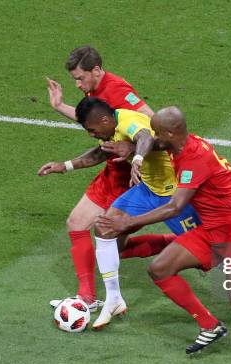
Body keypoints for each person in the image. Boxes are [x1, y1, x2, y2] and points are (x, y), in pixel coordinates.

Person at [96, 107, 231, 364]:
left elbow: (175, 206)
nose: (155, 137)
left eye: (158, 132)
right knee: (159, 269)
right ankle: (210, 325)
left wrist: (127, 223)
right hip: (211, 229)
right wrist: (132, 149)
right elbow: (151, 141)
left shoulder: (195, 158)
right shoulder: (180, 144)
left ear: (171, 132)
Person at [45, 97, 202, 329]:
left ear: (106, 120)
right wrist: (65, 166)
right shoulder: (112, 129)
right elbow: (100, 154)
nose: (91, 134)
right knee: (105, 227)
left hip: (174, 194)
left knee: (215, 251)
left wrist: (136, 157)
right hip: (148, 191)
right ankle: (114, 299)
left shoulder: (127, 121)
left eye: (92, 129)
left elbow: (145, 137)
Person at [41, 46, 169, 311]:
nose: (77, 84)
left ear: (96, 71)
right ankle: (86, 297)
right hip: (111, 170)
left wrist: (135, 153)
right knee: (77, 223)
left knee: (112, 247)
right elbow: (95, 124)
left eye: (80, 78)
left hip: (130, 179)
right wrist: (59, 106)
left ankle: (180, 244)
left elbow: (156, 128)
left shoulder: (118, 91)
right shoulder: (93, 90)